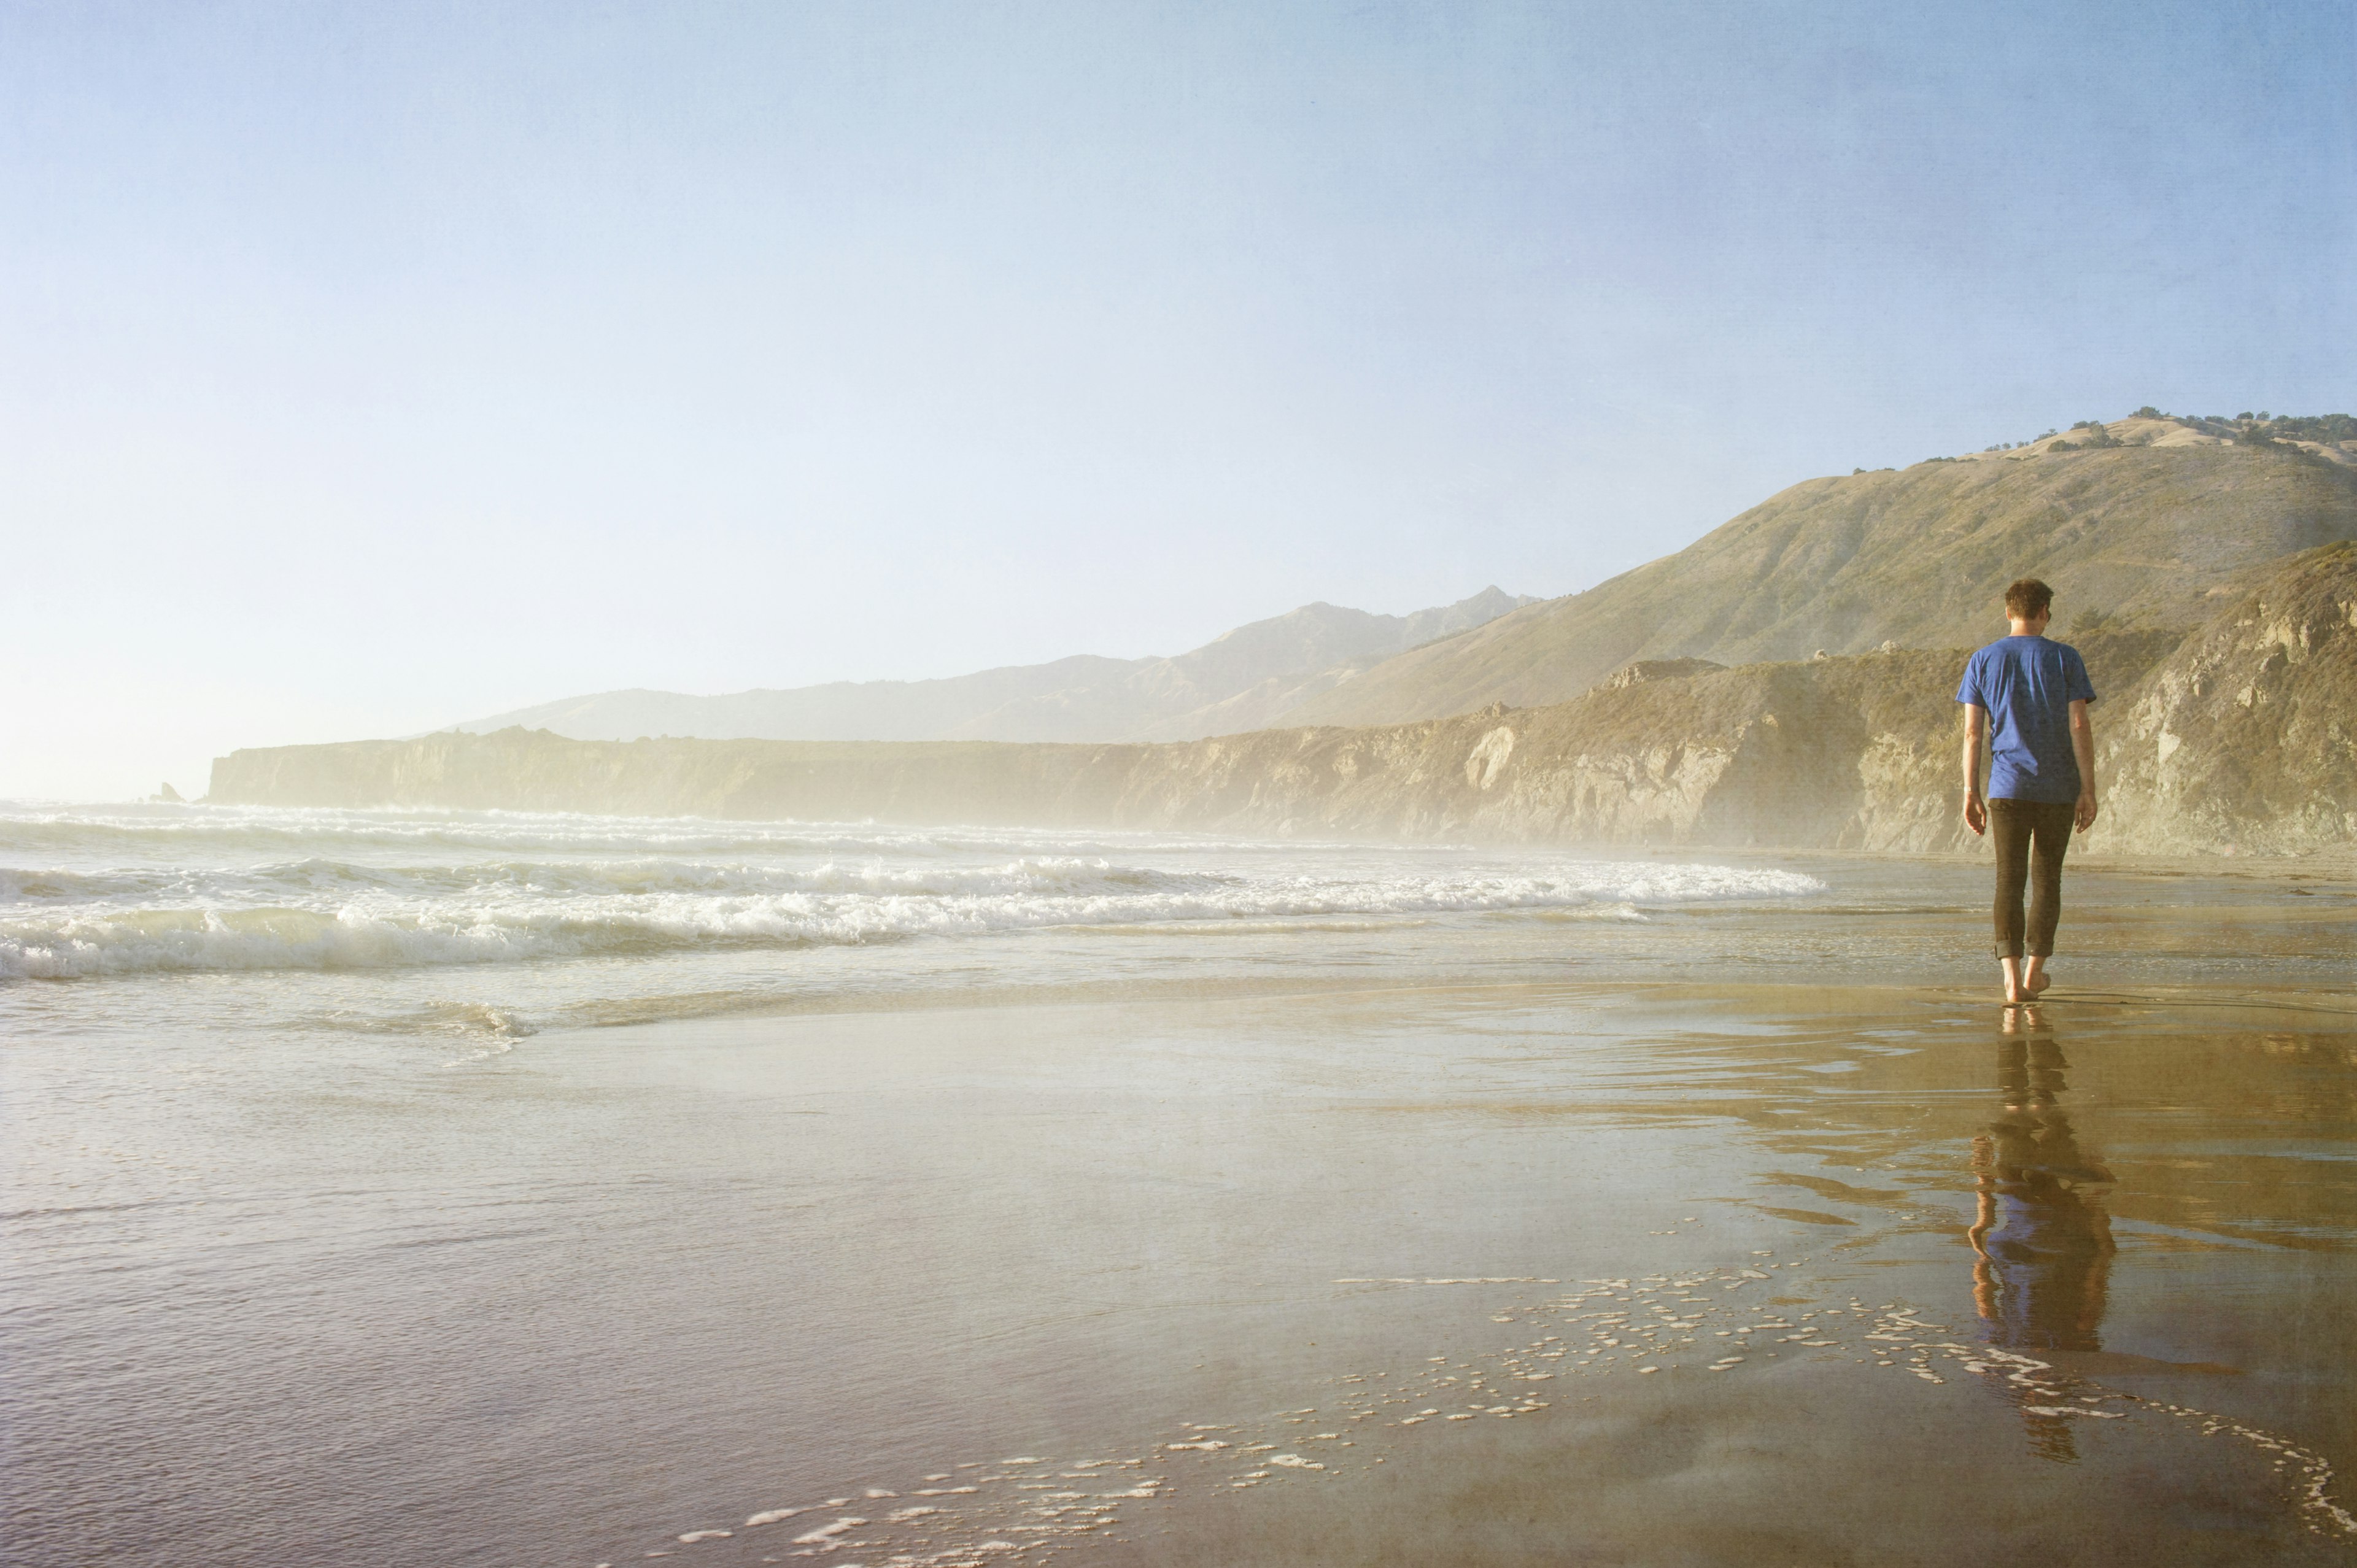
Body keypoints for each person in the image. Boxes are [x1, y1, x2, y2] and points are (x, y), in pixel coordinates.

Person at [1957, 578, 2099, 1005]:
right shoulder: (2065, 658)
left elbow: (1972, 733)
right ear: (2044, 613)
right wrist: (2088, 788)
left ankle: (2010, 979)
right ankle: (2035, 974)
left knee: (2009, 879)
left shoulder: (1983, 659)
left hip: (2006, 787)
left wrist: (1970, 790)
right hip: (2057, 787)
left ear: (2008, 613)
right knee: (2046, 879)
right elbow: (2078, 725)